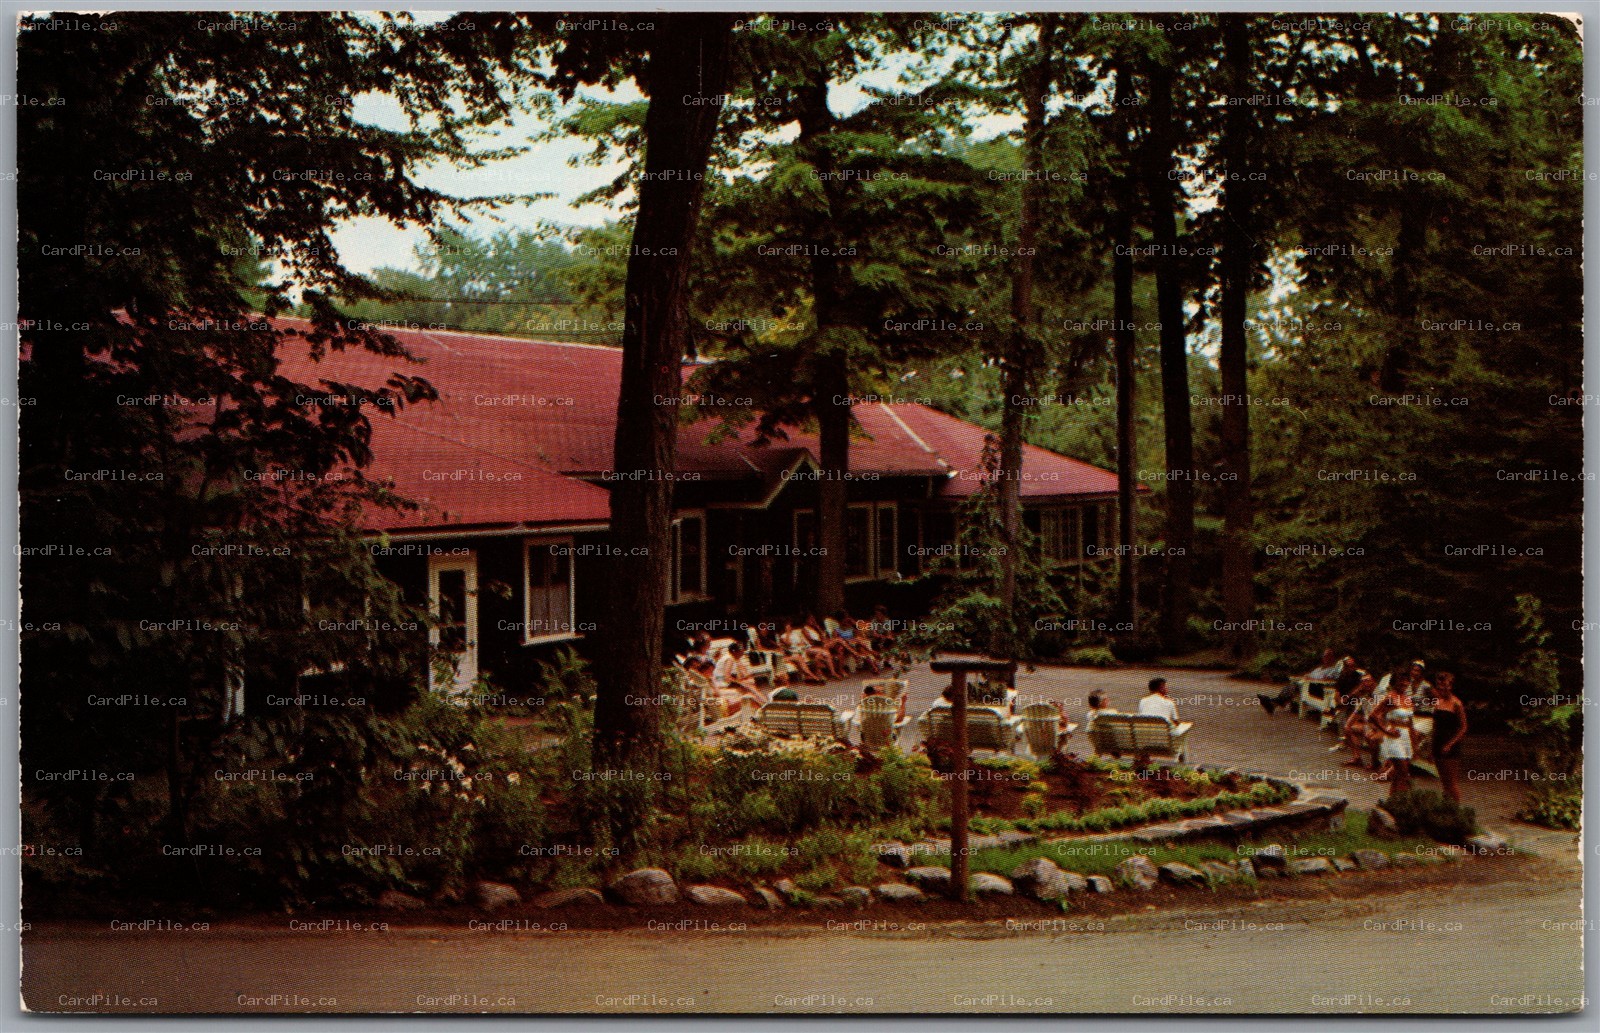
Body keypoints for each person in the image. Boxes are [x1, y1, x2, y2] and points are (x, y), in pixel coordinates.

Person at [1370, 667, 1416, 795]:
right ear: (1395, 682)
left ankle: (1392, 803)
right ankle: (1402, 801)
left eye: (1407, 681)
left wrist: (1414, 745)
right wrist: (1386, 731)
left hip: (1406, 737)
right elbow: (1373, 715)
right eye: (1401, 680)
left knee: (1397, 775)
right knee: (1403, 773)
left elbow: (1411, 724)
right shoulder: (1390, 697)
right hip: (1394, 737)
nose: (1404, 683)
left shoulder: (1408, 699)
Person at [1259, 652, 1351, 715]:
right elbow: (1308, 675)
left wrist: (1310, 678)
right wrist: (1306, 676)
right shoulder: (1319, 668)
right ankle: (1273, 703)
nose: (1325, 658)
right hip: (1306, 684)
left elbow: (1328, 679)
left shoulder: (1332, 670)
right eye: (1324, 656)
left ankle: (1273, 703)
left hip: (1316, 687)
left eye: (1328, 656)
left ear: (1332, 658)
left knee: (1295, 686)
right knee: (1292, 685)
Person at [1430, 671, 1468, 803]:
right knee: (1443, 781)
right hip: (1437, 741)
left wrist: (1450, 744)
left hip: (1450, 744)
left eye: (1445, 686)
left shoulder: (1456, 704)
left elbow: (1463, 727)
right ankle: (1446, 807)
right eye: (1439, 687)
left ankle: (1456, 810)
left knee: (1451, 782)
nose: (1442, 689)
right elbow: (1435, 724)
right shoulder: (1438, 701)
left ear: (1451, 686)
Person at [1338, 672, 1381, 768]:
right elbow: (1356, 713)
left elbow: (1380, 716)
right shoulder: (1364, 697)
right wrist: (1348, 725)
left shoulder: (1380, 695)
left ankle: (1375, 762)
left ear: (1374, 682)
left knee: (1370, 734)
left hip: (1381, 726)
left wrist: (1373, 727)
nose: (1366, 684)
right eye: (1363, 682)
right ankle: (1357, 758)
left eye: (1368, 681)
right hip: (1369, 725)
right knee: (1348, 728)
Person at [780, 617, 835, 681]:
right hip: (796, 651)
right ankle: (816, 675)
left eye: (790, 626)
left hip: (805, 648)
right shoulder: (783, 636)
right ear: (784, 628)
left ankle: (831, 672)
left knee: (823, 653)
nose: (789, 627)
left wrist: (802, 643)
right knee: (818, 656)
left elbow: (803, 642)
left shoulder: (796, 633)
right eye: (787, 626)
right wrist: (788, 633)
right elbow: (788, 644)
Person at [712, 641, 764, 708]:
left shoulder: (735, 658)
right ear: (734, 651)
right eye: (741, 651)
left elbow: (744, 673)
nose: (743, 652)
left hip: (725, 681)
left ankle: (763, 704)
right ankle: (764, 704)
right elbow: (727, 677)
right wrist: (741, 682)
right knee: (749, 686)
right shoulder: (729, 659)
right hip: (721, 682)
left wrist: (746, 678)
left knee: (750, 684)